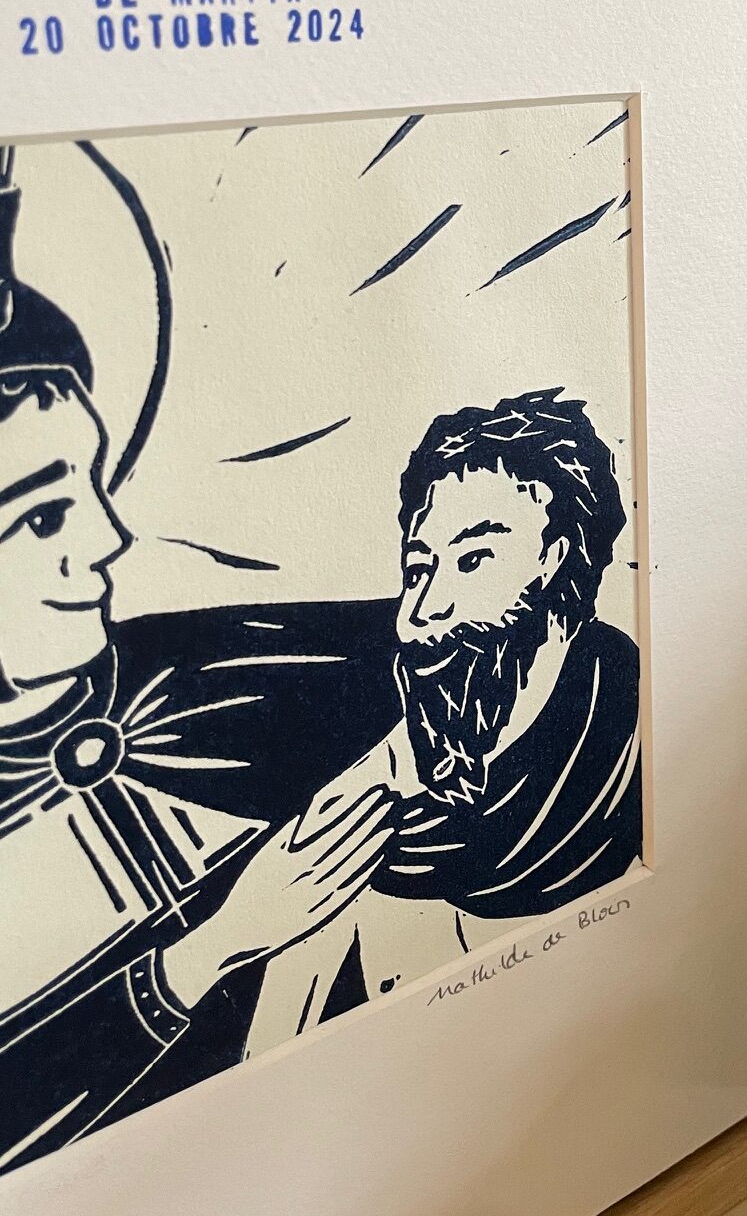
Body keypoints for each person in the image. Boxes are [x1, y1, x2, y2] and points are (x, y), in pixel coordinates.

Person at [0, 148, 401, 1180]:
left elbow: (460, 656)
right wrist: (214, 947)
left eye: (92, 483)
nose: (109, 538)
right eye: (43, 516)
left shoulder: (197, 668)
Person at [246, 391, 642, 1042]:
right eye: (417, 569)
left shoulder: (629, 723)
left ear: (556, 558)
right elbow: (274, 1042)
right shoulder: (364, 806)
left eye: (473, 560)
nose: (418, 614)